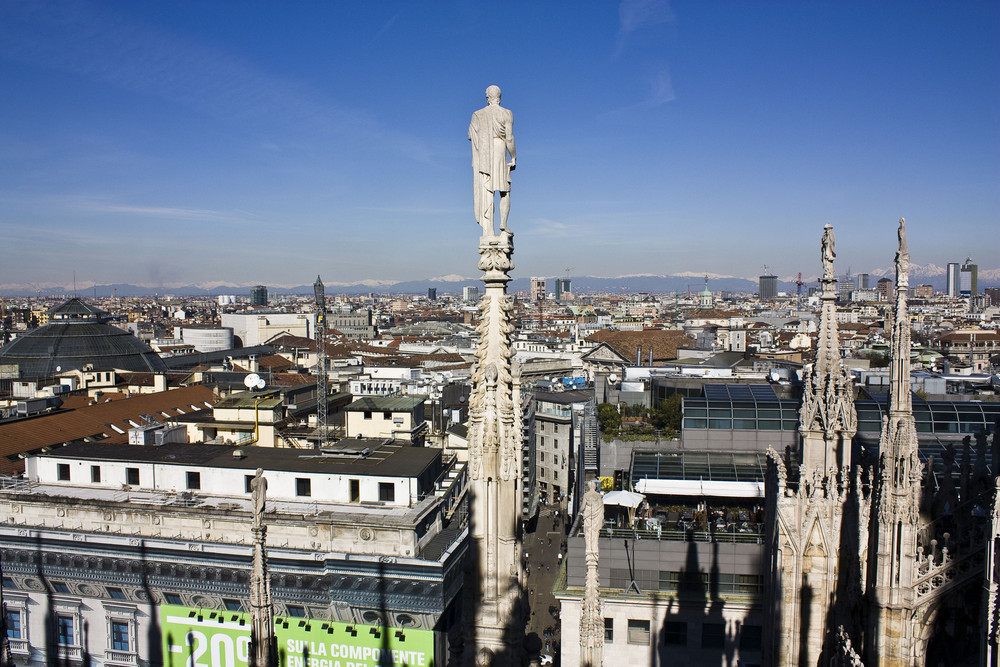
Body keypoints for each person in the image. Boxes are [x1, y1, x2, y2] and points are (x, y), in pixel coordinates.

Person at [469, 85, 516, 236]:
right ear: (499, 97)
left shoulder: (478, 114)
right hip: (500, 149)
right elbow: (509, 138)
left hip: (485, 154)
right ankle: (503, 223)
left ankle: (488, 229)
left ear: (487, 98)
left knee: (488, 190)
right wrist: (513, 156)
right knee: (505, 191)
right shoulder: (506, 113)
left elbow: (470, 135)